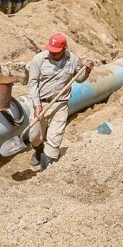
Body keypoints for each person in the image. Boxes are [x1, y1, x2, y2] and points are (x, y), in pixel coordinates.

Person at [27, 33, 94, 170]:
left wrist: (87, 70)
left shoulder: (73, 60)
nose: (53, 54)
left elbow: (79, 79)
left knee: (54, 140)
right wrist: (37, 105)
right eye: (51, 50)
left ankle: (46, 171)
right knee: (34, 136)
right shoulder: (39, 59)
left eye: (56, 52)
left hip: (61, 104)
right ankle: (39, 151)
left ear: (64, 49)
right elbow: (32, 83)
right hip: (42, 103)